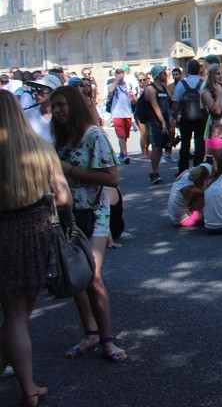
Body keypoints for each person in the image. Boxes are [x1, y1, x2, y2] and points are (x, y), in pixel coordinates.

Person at [0, 91, 71, 407]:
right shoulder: (41, 149)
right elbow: (65, 197)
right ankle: (29, 389)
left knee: (15, 316)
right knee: (20, 316)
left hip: (3, 232)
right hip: (35, 234)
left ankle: (27, 387)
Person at [51, 85, 127, 364]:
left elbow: (112, 179)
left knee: (92, 277)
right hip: (67, 215)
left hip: (94, 211)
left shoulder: (94, 135)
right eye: (54, 106)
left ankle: (107, 339)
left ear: (74, 104)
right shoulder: (59, 138)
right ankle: (90, 334)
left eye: (62, 104)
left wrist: (69, 170)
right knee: (76, 278)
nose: (57, 110)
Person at [140, 66, 173, 185]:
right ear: (158, 75)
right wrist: (163, 122)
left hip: (163, 119)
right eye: (164, 73)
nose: (166, 75)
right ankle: (154, 172)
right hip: (153, 121)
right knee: (156, 146)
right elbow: (155, 106)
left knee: (162, 146)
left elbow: (170, 100)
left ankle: (155, 170)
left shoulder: (163, 87)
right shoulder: (150, 88)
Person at [171, 60, 206, 174]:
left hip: (186, 117)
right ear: (198, 70)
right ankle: (198, 169)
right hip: (201, 117)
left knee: (185, 144)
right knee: (200, 143)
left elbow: (176, 101)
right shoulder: (203, 83)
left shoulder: (182, 84)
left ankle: (183, 170)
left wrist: (175, 116)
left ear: (187, 70)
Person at [167, 161, 211, 228]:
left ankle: (192, 210)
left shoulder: (185, 173)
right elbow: (209, 196)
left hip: (173, 216)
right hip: (182, 220)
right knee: (211, 208)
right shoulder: (190, 189)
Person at [105, 67, 135, 164]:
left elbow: (134, 99)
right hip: (117, 113)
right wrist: (117, 80)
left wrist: (133, 98)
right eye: (117, 73)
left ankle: (122, 154)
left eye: (121, 73)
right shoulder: (112, 84)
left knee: (125, 136)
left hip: (127, 113)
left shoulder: (128, 85)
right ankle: (125, 155)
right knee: (121, 136)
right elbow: (110, 90)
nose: (120, 75)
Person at [21, 74, 60, 143]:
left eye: (40, 89)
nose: (35, 93)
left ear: (54, 92)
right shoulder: (26, 115)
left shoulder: (63, 115)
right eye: (33, 89)